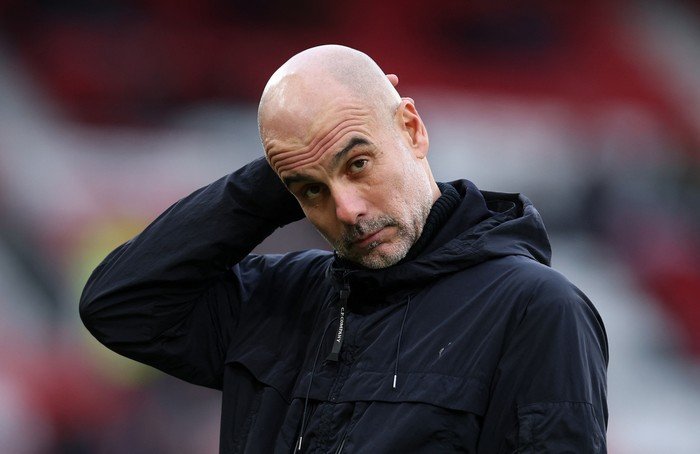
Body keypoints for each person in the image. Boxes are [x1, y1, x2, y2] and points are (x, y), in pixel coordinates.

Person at [80, 45, 608, 453]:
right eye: (311, 191)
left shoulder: (535, 309)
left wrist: (313, 153)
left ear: (411, 129)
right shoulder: (279, 299)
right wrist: (290, 161)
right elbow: (120, 306)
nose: (348, 209)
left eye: (357, 163)